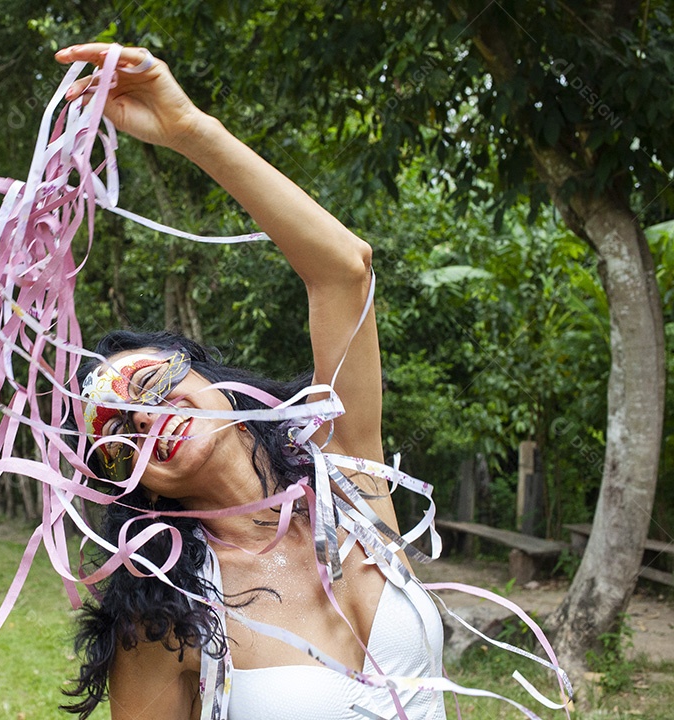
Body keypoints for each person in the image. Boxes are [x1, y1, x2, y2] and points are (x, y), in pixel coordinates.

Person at [53, 43, 447, 720]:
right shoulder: (164, 617)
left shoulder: (349, 485)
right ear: (126, 481)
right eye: (114, 437)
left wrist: (190, 131)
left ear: (206, 378)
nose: (142, 420)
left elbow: (344, 270)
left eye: (150, 385)